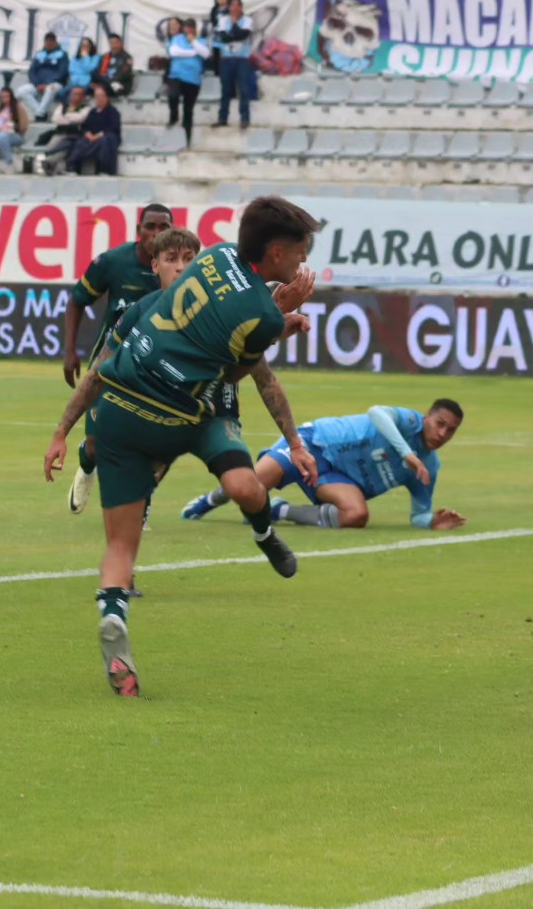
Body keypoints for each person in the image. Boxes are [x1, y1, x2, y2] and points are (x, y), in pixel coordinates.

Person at [44, 197, 323, 697]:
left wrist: (61, 430)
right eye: (302, 252)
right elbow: (239, 370)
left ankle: (114, 618)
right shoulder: (254, 311)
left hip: (124, 411)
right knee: (243, 485)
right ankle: (263, 532)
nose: (305, 262)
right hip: (191, 413)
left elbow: (100, 373)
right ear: (277, 252)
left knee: (123, 543)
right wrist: (277, 317)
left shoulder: (213, 257)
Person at [47, 228, 314, 591]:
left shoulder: (222, 306)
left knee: (245, 488)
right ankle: (124, 575)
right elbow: (99, 374)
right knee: (138, 480)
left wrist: (295, 443)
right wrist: (62, 431)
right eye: (171, 259)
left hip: (215, 414)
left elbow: (263, 377)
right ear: (154, 266)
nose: (181, 267)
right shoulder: (141, 312)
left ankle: (264, 534)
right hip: (162, 407)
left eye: (189, 259)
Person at [183, 401, 466, 531]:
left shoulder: (430, 466)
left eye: (450, 431)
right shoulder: (410, 421)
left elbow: (419, 514)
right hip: (315, 444)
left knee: (356, 516)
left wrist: (430, 521)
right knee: (250, 484)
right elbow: (376, 413)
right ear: (427, 416)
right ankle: (210, 500)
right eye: (439, 424)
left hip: (338, 477)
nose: (442, 434)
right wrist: (406, 452)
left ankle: (277, 511)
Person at [61, 204, 171, 513]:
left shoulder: (180, 271)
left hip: (156, 367)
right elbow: (77, 300)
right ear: (139, 230)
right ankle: (86, 463)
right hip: (111, 361)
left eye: (165, 226)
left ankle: (141, 501)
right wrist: (70, 350)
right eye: (151, 226)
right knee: (97, 446)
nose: (157, 233)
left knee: (156, 442)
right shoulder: (113, 262)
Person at [167, 18, 210, 145]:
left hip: (193, 80)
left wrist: (194, 42)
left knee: (188, 110)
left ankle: (187, 140)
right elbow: (173, 52)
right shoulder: (177, 38)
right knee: (173, 96)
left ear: (195, 29)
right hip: (176, 76)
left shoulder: (201, 41)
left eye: (191, 27)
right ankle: (173, 117)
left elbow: (206, 54)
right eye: (186, 27)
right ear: (183, 28)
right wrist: (193, 52)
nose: (188, 29)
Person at [214, 0, 255, 130]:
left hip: (242, 59)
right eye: (233, 5)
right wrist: (234, 33)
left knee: (243, 89)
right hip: (226, 59)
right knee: (226, 90)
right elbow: (222, 38)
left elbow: (243, 35)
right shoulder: (223, 20)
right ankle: (222, 118)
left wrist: (235, 24)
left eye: (238, 5)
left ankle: (244, 118)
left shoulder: (247, 20)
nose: (235, 8)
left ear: (241, 7)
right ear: (229, 7)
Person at [64, 84, 121, 176]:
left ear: (107, 97)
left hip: (105, 136)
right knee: (80, 141)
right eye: (97, 96)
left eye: (102, 96)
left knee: (105, 141)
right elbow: (85, 126)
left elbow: (113, 127)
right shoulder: (92, 112)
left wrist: (98, 135)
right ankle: (72, 168)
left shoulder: (113, 111)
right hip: (92, 137)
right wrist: (88, 133)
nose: (99, 99)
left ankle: (104, 170)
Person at [36, 85, 90, 175]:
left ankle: (49, 163)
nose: (74, 96)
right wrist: (70, 118)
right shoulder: (62, 106)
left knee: (64, 147)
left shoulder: (86, 108)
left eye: (78, 94)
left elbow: (80, 118)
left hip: (73, 134)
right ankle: (48, 167)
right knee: (52, 146)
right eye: (73, 94)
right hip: (59, 132)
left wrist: (64, 116)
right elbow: (55, 119)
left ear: (83, 97)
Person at [15, 32, 68, 121]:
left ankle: (40, 114)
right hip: (38, 84)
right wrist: (37, 84)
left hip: (55, 84)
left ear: (55, 42)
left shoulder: (62, 55)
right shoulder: (39, 54)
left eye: (52, 42)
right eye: (47, 42)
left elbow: (62, 72)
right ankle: (41, 112)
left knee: (50, 89)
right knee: (21, 92)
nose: (49, 44)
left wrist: (47, 84)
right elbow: (32, 71)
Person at [57, 37, 98, 107]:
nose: (85, 47)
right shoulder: (75, 58)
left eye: (87, 46)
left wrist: (86, 57)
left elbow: (90, 69)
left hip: (86, 83)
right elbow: (71, 69)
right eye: (83, 45)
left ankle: (71, 111)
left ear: (91, 47)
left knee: (75, 94)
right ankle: (68, 109)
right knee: (60, 93)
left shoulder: (95, 57)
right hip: (74, 82)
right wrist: (83, 71)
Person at [91, 34, 134, 99]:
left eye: (116, 43)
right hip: (105, 83)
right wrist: (95, 82)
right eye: (111, 43)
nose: (114, 46)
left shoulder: (127, 58)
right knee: (82, 89)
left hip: (120, 85)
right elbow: (97, 72)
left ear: (121, 43)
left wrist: (106, 82)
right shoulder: (104, 57)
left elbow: (123, 74)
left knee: (104, 88)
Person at [208, 0, 232, 76]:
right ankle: (217, 76)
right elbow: (213, 23)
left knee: (229, 60)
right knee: (217, 60)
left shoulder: (232, 8)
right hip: (217, 39)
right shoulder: (214, 10)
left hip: (230, 39)